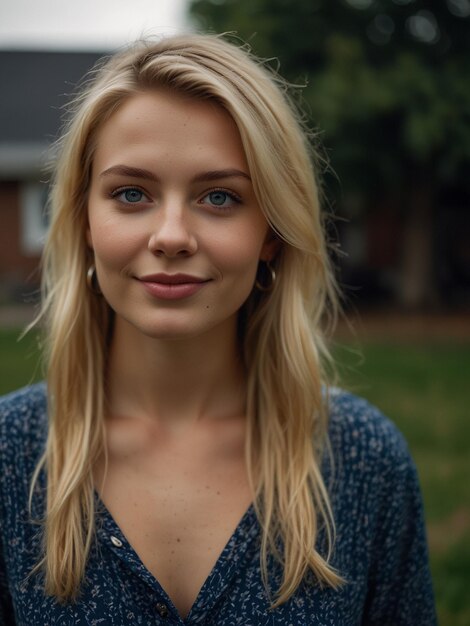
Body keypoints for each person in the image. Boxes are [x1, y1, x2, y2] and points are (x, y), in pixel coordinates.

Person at [0, 34, 436, 625]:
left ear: (273, 234)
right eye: (132, 194)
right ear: (83, 222)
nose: (172, 235)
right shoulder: (9, 455)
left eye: (219, 197)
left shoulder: (363, 461)